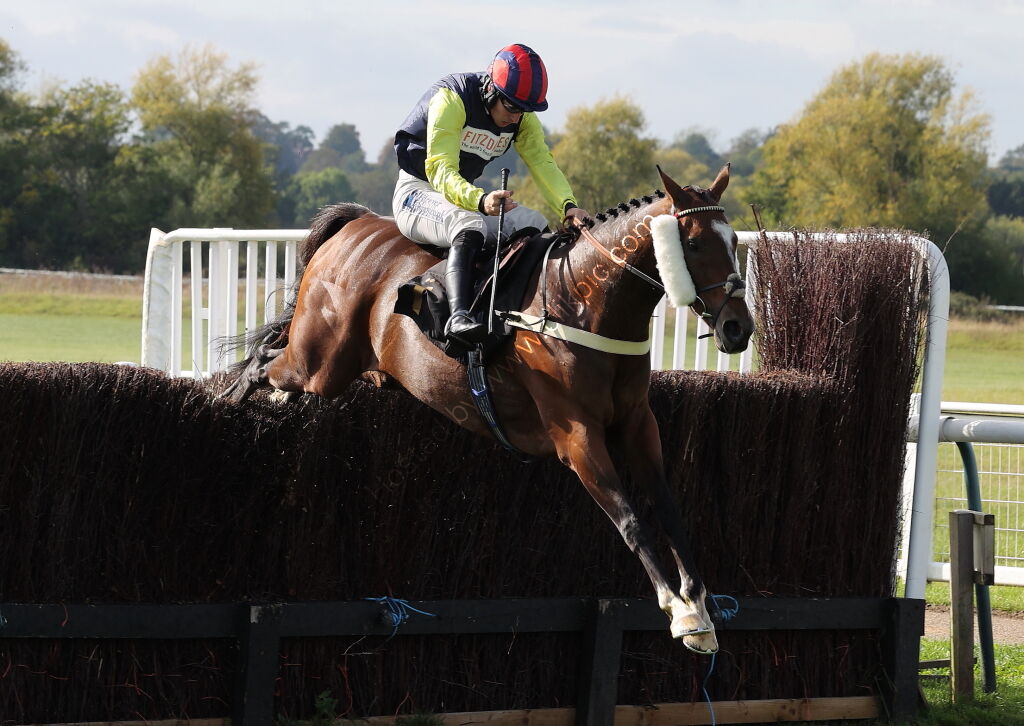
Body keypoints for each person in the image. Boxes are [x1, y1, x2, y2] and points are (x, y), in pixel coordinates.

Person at [393, 43, 591, 345]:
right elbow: (440, 170)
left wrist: (568, 206)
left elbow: (541, 162)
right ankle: (459, 319)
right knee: (468, 223)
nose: (516, 117)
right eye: (511, 106)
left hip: (464, 198)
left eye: (523, 110)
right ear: (489, 90)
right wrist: (479, 200)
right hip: (417, 192)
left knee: (535, 224)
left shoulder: (520, 115)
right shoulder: (452, 99)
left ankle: (534, 312)